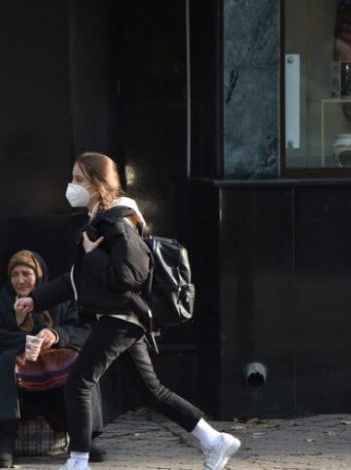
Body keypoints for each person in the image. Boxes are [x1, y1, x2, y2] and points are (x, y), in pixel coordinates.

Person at [14, 152, 241, 470]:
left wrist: (93, 255)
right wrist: (36, 300)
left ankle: (77, 462)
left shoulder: (117, 222)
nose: (72, 186)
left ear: (97, 184)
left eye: (79, 180)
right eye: (73, 179)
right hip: (120, 318)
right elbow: (78, 280)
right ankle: (214, 440)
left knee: (79, 381)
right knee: (152, 390)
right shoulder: (97, 221)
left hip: (120, 318)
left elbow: (128, 276)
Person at [0, 250, 104, 468]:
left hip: (55, 368)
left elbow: (83, 332)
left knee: (79, 361)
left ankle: (82, 438)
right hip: (14, 368)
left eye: (26, 273)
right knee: (5, 361)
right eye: (15, 274)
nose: (20, 280)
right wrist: (30, 343)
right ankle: (4, 441)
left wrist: (56, 335)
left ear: (39, 275)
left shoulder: (61, 302)